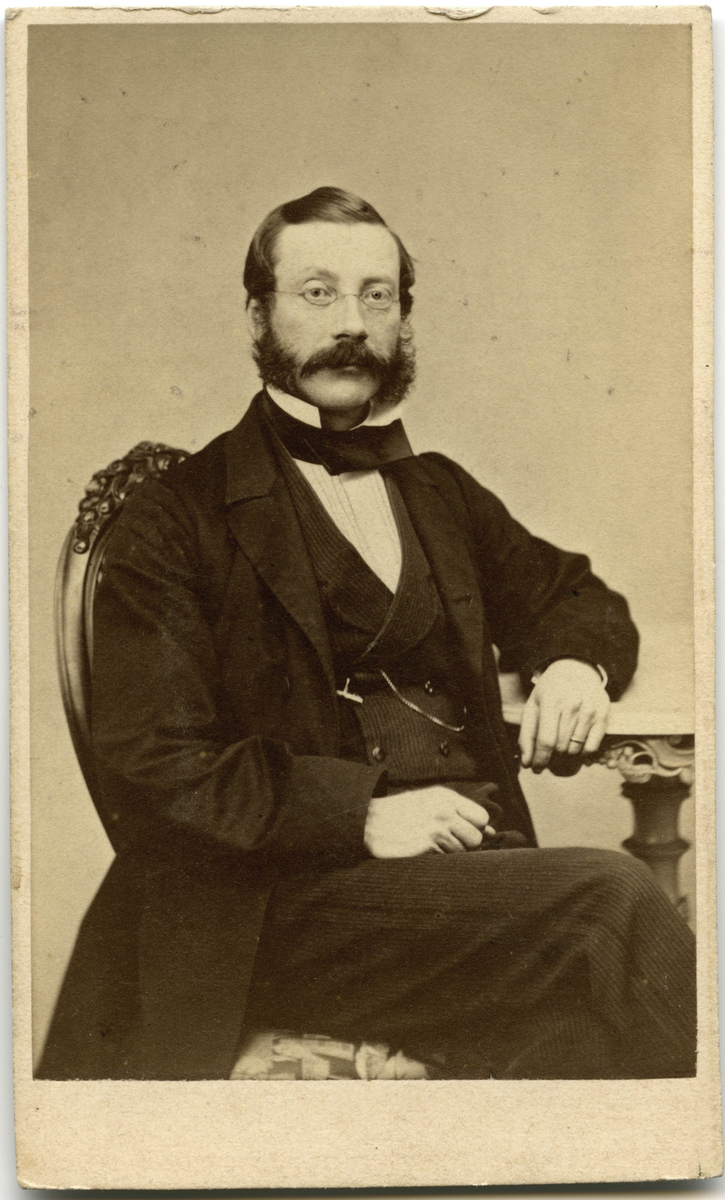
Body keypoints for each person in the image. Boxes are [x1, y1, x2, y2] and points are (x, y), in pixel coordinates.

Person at [38, 187, 695, 1081]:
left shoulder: (437, 490)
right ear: (258, 316)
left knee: (589, 1036)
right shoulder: (176, 517)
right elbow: (156, 763)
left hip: (457, 893)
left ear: (402, 321)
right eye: (317, 293)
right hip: (274, 906)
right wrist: (360, 815)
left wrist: (575, 663)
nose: (351, 323)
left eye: (376, 296)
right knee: (612, 901)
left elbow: (572, 593)